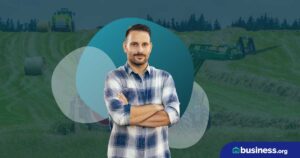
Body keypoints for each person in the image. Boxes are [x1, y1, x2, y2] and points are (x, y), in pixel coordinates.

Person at [104, 24, 180, 158]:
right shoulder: (114, 77)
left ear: (150, 47)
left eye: (144, 44)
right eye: (134, 44)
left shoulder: (165, 78)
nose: (140, 50)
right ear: (125, 47)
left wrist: (131, 111)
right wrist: (158, 107)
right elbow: (120, 117)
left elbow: (172, 115)